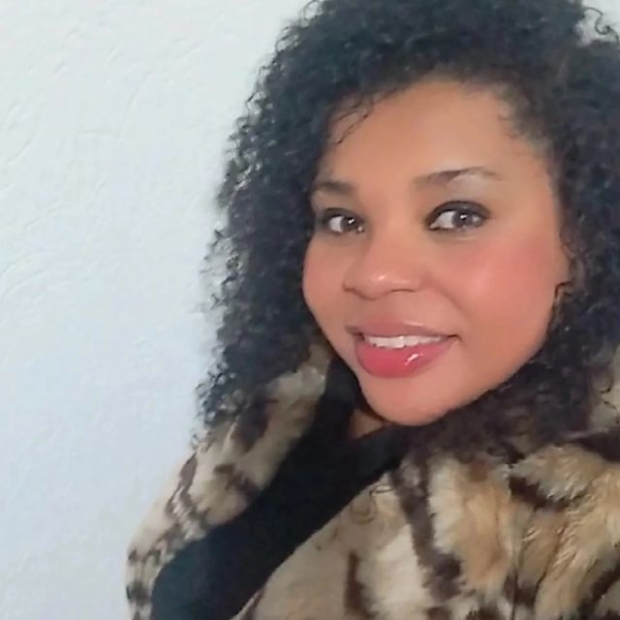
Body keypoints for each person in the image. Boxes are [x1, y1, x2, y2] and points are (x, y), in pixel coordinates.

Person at [126, 0, 620, 618]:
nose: (374, 273)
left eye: (456, 215)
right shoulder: (293, 395)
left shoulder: (592, 511)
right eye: (343, 219)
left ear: (585, 237)